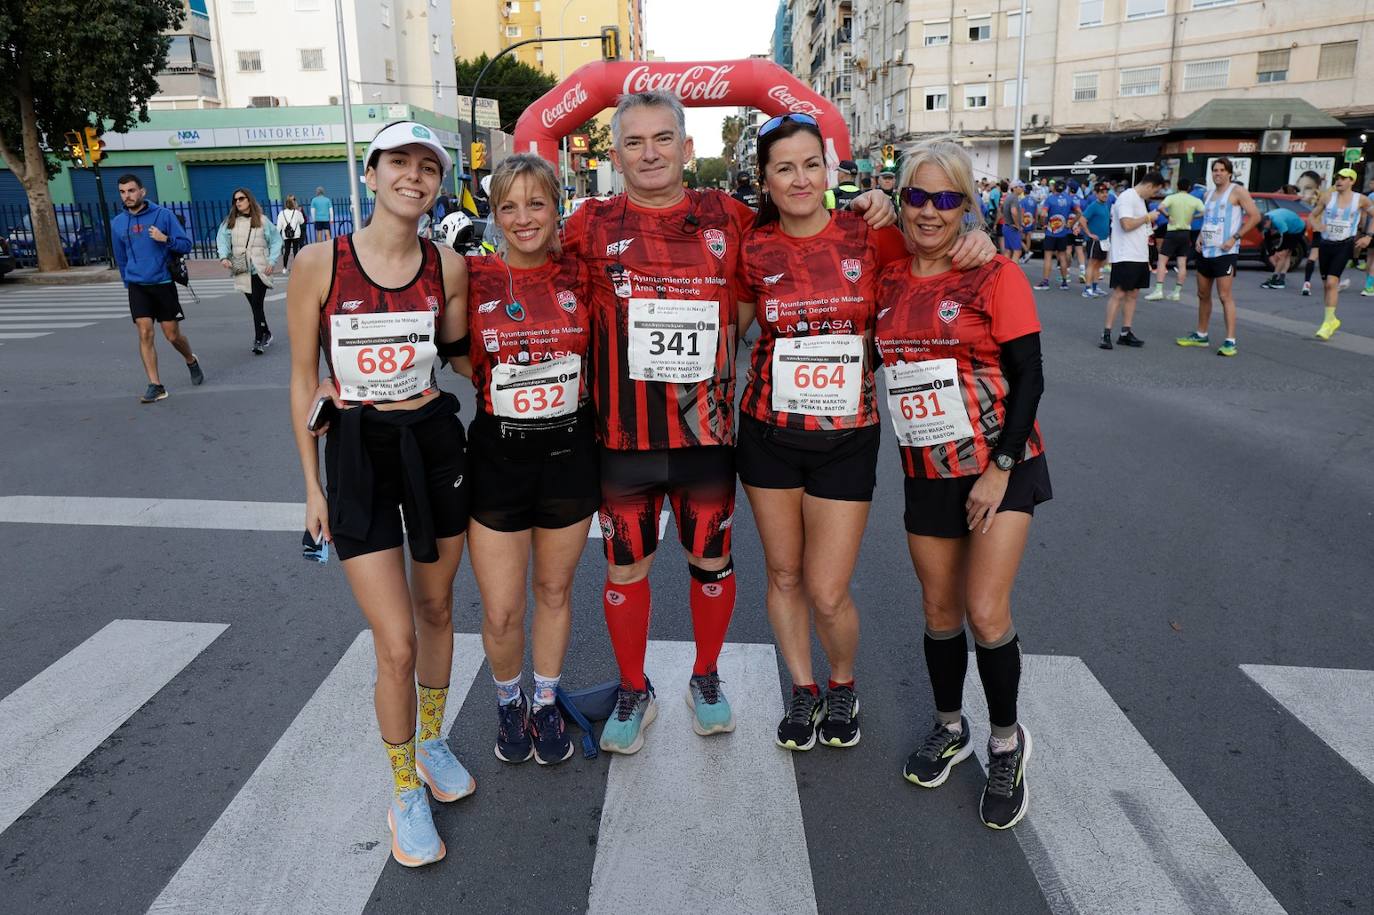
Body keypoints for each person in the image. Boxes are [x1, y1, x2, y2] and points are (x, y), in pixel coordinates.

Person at [560, 90, 899, 755]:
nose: (650, 153)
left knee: (711, 561)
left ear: (688, 148)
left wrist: (871, 204)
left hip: (708, 435)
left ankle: (706, 676)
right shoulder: (587, 224)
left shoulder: (733, 218)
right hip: (623, 437)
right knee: (624, 570)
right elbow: (524, 267)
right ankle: (632, 688)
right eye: (634, 142)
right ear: (615, 155)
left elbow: (804, 229)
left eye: (664, 138)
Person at [737, 116, 991, 753]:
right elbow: (728, 328)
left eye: (811, 164)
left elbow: (938, 253)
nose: (800, 179)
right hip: (768, 431)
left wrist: (980, 241)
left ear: (829, 170)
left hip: (848, 435)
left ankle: (842, 682)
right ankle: (803, 688)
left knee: (827, 590)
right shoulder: (752, 246)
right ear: (765, 180)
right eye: (784, 168)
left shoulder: (869, 233)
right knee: (784, 575)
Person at [287, 121, 474, 868]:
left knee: (437, 610)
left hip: (432, 442)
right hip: (358, 451)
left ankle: (430, 740)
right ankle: (403, 789)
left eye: (428, 167)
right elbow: (303, 378)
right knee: (395, 642)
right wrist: (312, 486)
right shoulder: (318, 262)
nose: (413, 176)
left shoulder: (449, 266)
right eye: (399, 162)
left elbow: (458, 356)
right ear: (370, 175)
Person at [873, 138, 1049, 831]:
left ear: (967, 205)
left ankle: (1006, 741)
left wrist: (999, 467)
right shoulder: (888, 273)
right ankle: (951, 726)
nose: (929, 211)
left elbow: (1030, 376)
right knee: (939, 609)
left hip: (1000, 465)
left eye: (946, 198)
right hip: (926, 469)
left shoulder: (993, 272)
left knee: (984, 609)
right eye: (916, 196)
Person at [457, 154, 596, 766]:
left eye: (536, 203)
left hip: (568, 454)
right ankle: (508, 701)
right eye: (509, 206)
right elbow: (443, 347)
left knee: (554, 589)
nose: (523, 218)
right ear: (494, 213)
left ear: (556, 207)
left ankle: (544, 701)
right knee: (502, 607)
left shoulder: (582, 274)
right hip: (499, 459)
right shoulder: (472, 276)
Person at [111, 173, 203, 403]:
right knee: (144, 332)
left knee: (172, 335)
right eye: (122, 192)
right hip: (137, 286)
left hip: (162, 283)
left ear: (142, 192)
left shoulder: (163, 215)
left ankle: (190, 359)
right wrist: (127, 281)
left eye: (131, 190)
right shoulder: (118, 222)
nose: (127, 196)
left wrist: (165, 239)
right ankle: (156, 385)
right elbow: (120, 257)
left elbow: (185, 245)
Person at [1175, 158, 1260, 357]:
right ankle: (1201, 334)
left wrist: (1235, 237)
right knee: (1203, 294)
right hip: (1206, 250)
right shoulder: (1208, 194)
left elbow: (1255, 216)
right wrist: (1200, 236)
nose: (1218, 173)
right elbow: (1209, 220)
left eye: (1222, 170)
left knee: (1224, 296)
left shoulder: (1237, 191)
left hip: (1225, 252)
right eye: (1215, 170)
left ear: (1229, 173)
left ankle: (1230, 341)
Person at [1308, 167, 1374, 340]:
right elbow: (1312, 216)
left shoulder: (1361, 199)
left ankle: (1327, 323)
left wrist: (1368, 236)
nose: (1339, 181)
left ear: (1352, 181)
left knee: (1332, 282)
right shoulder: (1327, 197)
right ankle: (1331, 320)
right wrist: (1317, 225)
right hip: (1326, 244)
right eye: (1337, 177)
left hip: (1344, 244)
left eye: (1344, 178)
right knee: (1327, 285)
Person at [1101, 171, 1165, 350]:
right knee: (1119, 293)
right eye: (1154, 191)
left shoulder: (1139, 200)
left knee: (1133, 294)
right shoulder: (1127, 197)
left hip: (1139, 254)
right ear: (1149, 185)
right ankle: (1106, 333)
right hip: (1125, 254)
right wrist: (1148, 217)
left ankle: (1125, 332)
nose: (1153, 195)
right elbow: (1126, 224)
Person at [216, 187, 283, 355]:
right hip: (241, 268)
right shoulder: (230, 222)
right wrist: (223, 257)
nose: (238, 202)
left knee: (256, 305)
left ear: (249, 200)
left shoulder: (262, 220)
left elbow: (276, 240)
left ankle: (258, 339)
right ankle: (266, 332)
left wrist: (272, 261)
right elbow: (222, 240)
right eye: (235, 200)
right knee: (255, 306)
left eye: (241, 198)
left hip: (260, 269)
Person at [1146, 177, 1205, 302]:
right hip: (1186, 232)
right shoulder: (1194, 200)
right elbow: (1205, 211)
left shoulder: (1172, 198)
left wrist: (1168, 216)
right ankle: (1176, 292)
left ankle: (1159, 290)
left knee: (1162, 261)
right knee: (1182, 263)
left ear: (1177, 186)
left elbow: (1160, 207)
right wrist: (1194, 217)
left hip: (1172, 232)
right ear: (1189, 188)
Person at [1034, 179, 1079, 291]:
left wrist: (1043, 224)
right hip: (1063, 232)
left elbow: (1043, 214)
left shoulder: (1050, 199)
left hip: (1051, 232)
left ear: (1054, 187)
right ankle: (1064, 282)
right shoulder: (1069, 199)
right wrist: (1071, 224)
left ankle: (1045, 282)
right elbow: (1079, 212)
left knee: (1048, 257)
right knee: (1062, 257)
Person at [1077, 182, 1113, 298]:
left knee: (1098, 264)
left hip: (1104, 240)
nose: (1105, 194)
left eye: (1106, 192)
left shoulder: (1106, 205)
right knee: (1092, 263)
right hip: (1094, 241)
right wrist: (1089, 233)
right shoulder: (1093, 206)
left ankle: (1095, 287)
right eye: (1102, 193)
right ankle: (1087, 289)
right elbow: (1082, 220)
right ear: (1096, 194)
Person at [1258, 206, 1306, 290]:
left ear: (1268, 221)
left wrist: (1278, 250)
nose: (1265, 228)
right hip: (1288, 228)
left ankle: (1274, 278)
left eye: (1265, 226)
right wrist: (1270, 254)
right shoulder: (1265, 220)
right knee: (1285, 255)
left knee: (1282, 254)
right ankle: (1281, 279)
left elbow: (1285, 237)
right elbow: (1267, 239)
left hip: (1297, 229)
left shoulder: (1277, 220)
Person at [276, 194, 306, 274]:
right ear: (293, 204)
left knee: (287, 251)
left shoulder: (281, 213)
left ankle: (284, 268)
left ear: (285, 205)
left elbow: (278, 227)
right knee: (296, 251)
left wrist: (277, 235)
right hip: (296, 235)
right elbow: (302, 221)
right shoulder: (297, 213)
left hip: (286, 236)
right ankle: (297, 267)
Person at [1000, 182, 1025, 260]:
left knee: (1008, 251)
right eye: (1020, 187)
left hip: (1006, 226)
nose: (1022, 189)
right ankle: (1013, 268)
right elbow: (1013, 212)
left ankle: (1006, 268)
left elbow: (1001, 210)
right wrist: (1017, 225)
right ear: (1014, 188)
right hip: (1012, 227)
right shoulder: (1014, 198)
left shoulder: (1008, 197)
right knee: (1017, 251)